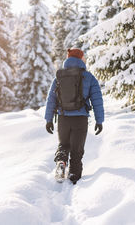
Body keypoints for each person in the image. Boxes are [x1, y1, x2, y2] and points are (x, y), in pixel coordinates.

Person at [45, 47, 104, 184]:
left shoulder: (59, 77)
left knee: (64, 145)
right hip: (80, 119)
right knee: (76, 151)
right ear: (81, 59)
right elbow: (97, 100)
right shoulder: (88, 77)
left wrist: (49, 120)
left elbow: (51, 99)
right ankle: (74, 177)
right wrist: (99, 121)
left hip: (63, 118)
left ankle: (61, 162)